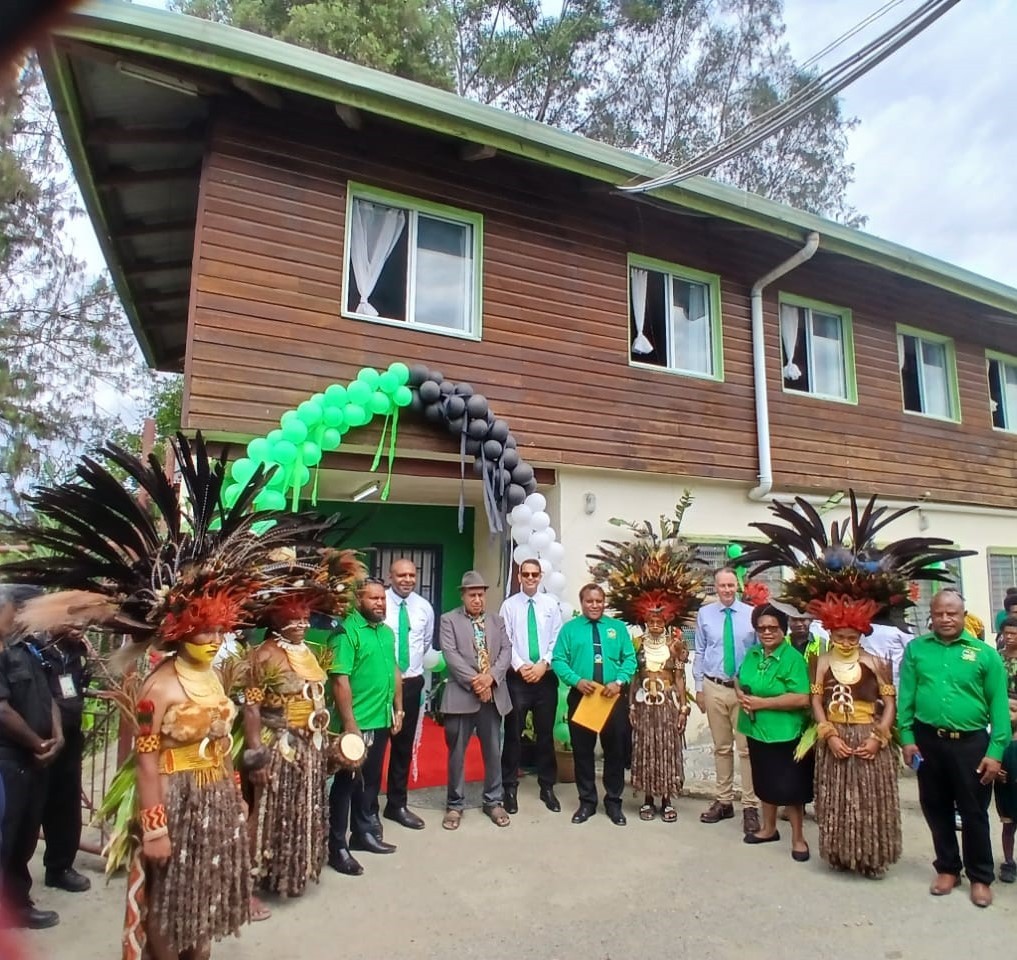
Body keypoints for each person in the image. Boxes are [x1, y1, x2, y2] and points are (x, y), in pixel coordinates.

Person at [899, 589, 1011, 908]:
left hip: (971, 745)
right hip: (928, 741)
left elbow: (998, 706)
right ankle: (948, 868)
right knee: (935, 807)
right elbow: (905, 696)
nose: (946, 619)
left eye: (953, 613)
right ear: (930, 616)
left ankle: (979, 876)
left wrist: (995, 751)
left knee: (974, 812)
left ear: (963, 615)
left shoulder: (984, 654)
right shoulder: (917, 650)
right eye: (939, 613)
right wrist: (906, 738)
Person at [809, 594, 901, 878]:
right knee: (837, 798)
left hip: (867, 734)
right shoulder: (821, 662)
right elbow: (815, 702)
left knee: (869, 799)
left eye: (852, 638)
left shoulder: (875, 663)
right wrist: (829, 735)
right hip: (835, 735)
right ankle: (839, 852)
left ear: (861, 635)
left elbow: (890, 705)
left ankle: (872, 857)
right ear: (831, 634)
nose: (846, 643)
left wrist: (878, 737)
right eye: (840, 637)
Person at [327, 578, 402, 875]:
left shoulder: (385, 633)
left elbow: (394, 671)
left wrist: (399, 709)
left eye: (383, 599)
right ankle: (337, 847)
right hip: (355, 725)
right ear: (359, 600)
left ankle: (362, 833)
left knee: (369, 782)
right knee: (345, 786)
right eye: (373, 599)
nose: (380, 604)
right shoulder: (345, 633)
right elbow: (339, 680)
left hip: (381, 719)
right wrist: (350, 726)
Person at [0, 584, 62, 930]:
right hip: (8, 760)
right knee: (5, 838)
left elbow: (51, 694)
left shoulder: (33, 648)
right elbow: (2, 710)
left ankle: (18, 904)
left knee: (25, 835)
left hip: (36, 760)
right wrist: (37, 742)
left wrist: (58, 736)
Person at [552, 584, 636, 826]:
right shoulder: (570, 630)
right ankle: (587, 802)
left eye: (599, 600)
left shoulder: (617, 628)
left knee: (615, 751)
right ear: (582, 602)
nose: (595, 605)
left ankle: (613, 802)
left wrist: (619, 681)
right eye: (590, 601)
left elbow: (629, 658)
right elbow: (558, 659)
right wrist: (576, 681)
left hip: (611, 698)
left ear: (604, 602)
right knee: (583, 751)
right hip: (583, 697)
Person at [736, 604, 812, 861]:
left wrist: (762, 703)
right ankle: (768, 829)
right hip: (756, 730)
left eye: (773, 628)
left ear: (783, 629)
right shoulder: (753, 653)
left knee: (793, 788)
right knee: (764, 782)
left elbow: (803, 698)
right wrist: (740, 694)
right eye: (762, 628)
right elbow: (739, 678)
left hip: (786, 733)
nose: (767, 632)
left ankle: (798, 838)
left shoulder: (792, 659)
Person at [439, 570, 512, 830]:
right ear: (463, 595)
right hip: (462, 696)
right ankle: (454, 805)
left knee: (493, 751)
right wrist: (476, 682)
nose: (478, 599)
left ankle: (493, 801)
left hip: (492, 696)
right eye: (472, 594)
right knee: (457, 753)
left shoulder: (497, 620)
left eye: (481, 594)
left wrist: (491, 678)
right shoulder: (448, 620)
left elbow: (506, 651)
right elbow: (451, 655)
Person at [693, 567, 760, 833]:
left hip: (743, 690)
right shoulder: (705, 614)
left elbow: (757, 652)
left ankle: (751, 805)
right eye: (722, 586)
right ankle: (723, 800)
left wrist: (754, 687)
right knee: (721, 747)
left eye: (731, 585)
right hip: (714, 686)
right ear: (715, 587)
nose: (727, 590)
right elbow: (699, 650)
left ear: (738, 586)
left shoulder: (751, 614)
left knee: (746, 749)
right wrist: (698, 687)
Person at [499, 558, 564, 814]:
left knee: (545, 734)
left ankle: (547, 786)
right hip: (518, 677)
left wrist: (543, 664)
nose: (530, 578)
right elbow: (505, 638)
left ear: (541, 576)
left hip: (544, 677)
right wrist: (520, 665)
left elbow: (557, 637)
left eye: (534, 575)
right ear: (518, 576)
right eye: (525, 574)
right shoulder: (509, 606)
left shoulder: (551, 604)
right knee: (513, 733)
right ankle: (509, 787)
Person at [39, 626, 92, 894]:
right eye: (72, 617)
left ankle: (59, 868)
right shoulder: (33, 647)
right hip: (36, 740)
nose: (79, 625)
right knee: (26, 809)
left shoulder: (76, 649)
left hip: (70, 738)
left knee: (66, 805)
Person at [383, 558, 434, 830]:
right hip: (380, 685)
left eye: (412, 575)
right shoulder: (380, 603)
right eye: (401, 575)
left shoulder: (424, 607)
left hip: (412, 683)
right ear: (390, 576)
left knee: (403, 748)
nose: (407, 579)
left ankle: (396, 804)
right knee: (375, 746)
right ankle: (365, 808)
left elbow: (425, 643)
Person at [630, 605, 689, 823]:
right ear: (645, 623)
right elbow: (634, 677)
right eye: (651, 622)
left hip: (667, 706)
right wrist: (631, 706)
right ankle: (647, 799)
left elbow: (680, 678)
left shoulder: (676, 646)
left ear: (665, 624)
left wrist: (683, 708)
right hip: (644, 705)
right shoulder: (637, 645)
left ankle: (666, 800)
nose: (655, 626)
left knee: (666, 750)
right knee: (646, 749)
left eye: (659, 622)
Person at [993, 616, 1017, 883]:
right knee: (1007, 813)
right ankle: (1008, 862)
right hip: (1000, 730)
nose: (1009, 637)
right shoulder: (996, 660)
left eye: (1014, 633)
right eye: (1006, 633)